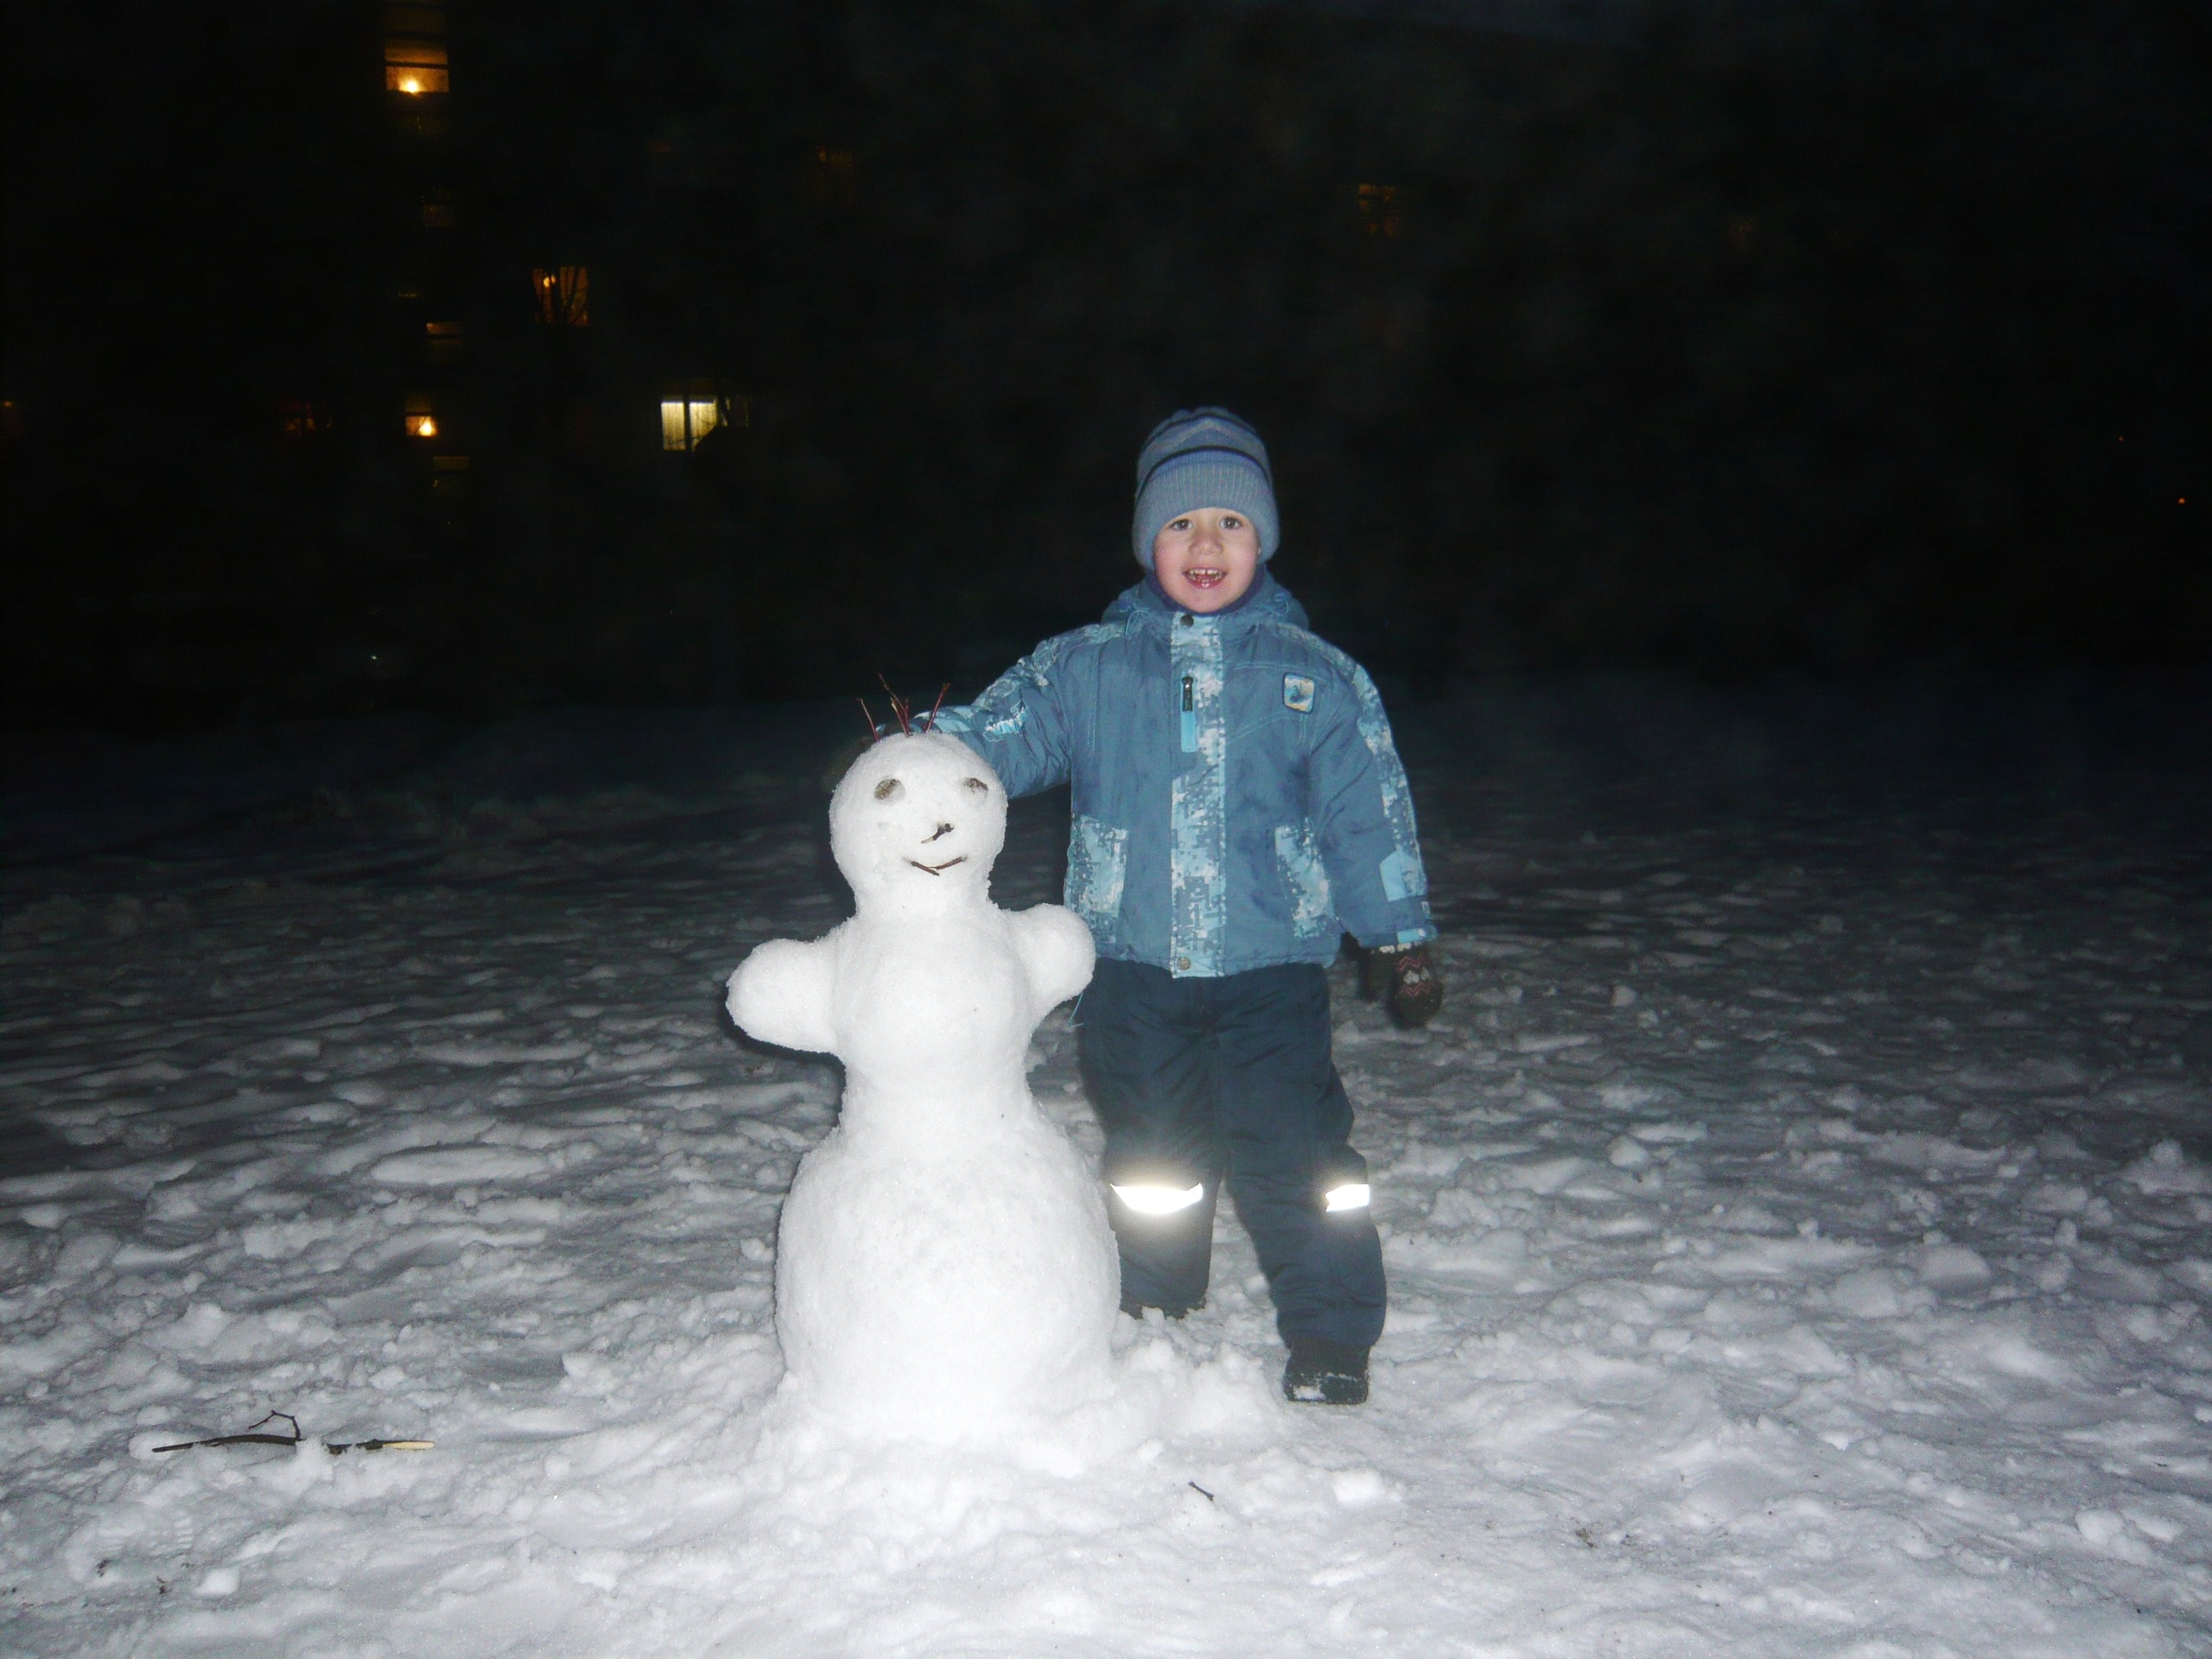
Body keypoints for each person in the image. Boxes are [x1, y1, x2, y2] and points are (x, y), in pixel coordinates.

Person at [936, 408, 1441, 1407]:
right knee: (1151, 1150)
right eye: (1180, 524)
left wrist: (1399, 935)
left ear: (1262, 539)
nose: (1205, 544)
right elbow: (1000, 737)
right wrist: (919, 752)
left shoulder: (1313, 677)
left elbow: (1365, 815)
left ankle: (1330, 1331)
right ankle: (1154, 1300)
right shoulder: (1086, 667)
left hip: (1270, 967)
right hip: (1131, 961)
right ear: (1146, 542)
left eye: (1229, 523)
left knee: (1295, 1154)